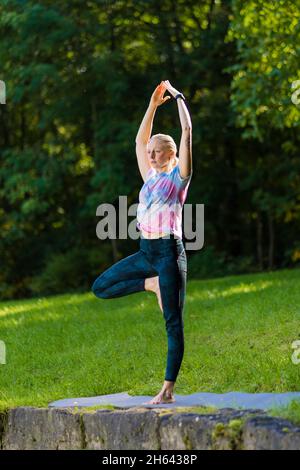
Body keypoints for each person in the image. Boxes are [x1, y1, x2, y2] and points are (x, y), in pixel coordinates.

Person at [91, 80, 193, 404]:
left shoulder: (178, 179)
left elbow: (188, 132)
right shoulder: (149, 176)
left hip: (168, 255)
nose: (149, 154)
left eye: (155, 151)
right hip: (145, 252)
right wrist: (152, 105)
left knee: (172, 322)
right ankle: (150, 285)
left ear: (170, 154)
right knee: (101, 287)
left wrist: (177, 97)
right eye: (148, 152)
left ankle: (167, 387)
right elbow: (138, 140)